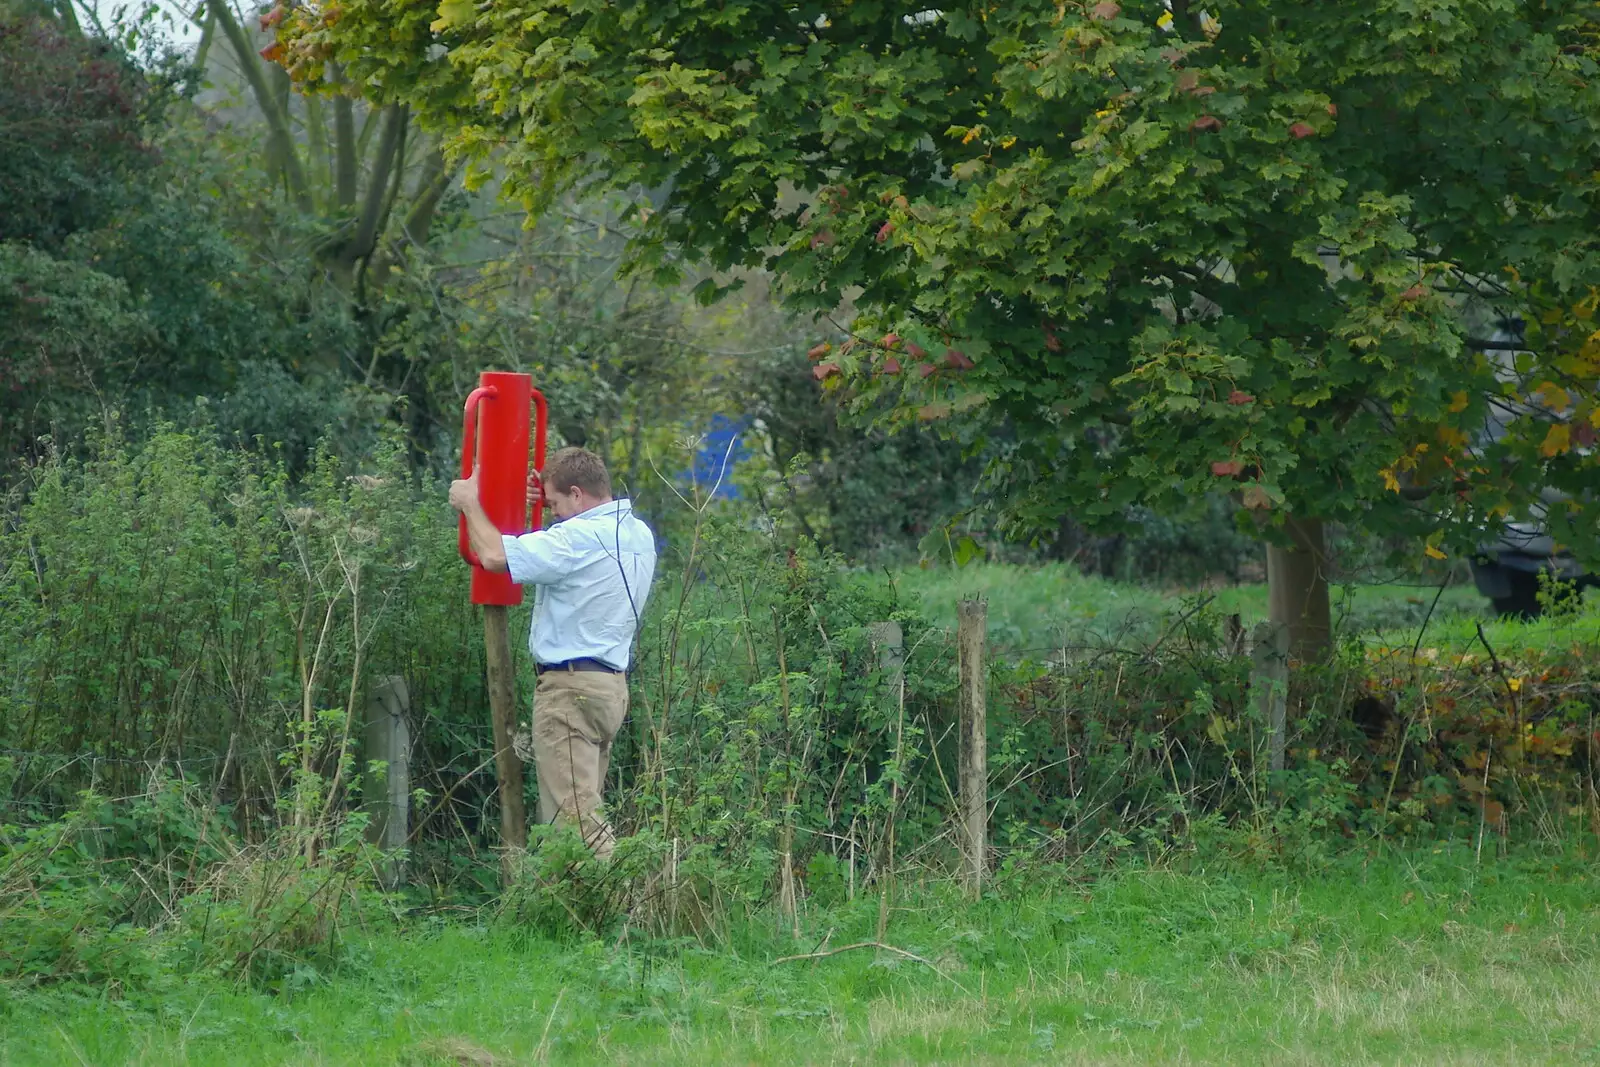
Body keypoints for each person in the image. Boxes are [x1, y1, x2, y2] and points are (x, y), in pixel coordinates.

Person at [449, 447, 655, 859]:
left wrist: (470, 504)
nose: (554, 514)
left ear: (577, 495)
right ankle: (575, 913)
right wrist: (546, 505)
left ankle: (624, 910)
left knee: (576, 821)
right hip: (610, 687)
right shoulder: (637, 533)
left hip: (570, 690)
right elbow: (564, 544)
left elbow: (493, 555)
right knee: (576, 812)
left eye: (557, 505)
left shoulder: (575, 539)